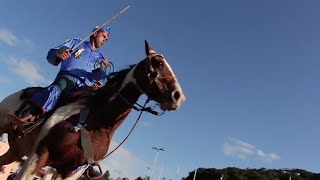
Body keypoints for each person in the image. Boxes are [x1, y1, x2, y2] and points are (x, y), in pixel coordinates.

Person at [8, 25, 111, 124]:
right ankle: (26, 116)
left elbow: (98, 79)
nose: (104, 40)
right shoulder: (77, 42)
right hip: (67, 79)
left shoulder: (100, 58)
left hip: (85, 88)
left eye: (106, 39)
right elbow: (54, 52)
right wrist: (59, 53)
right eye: (103, 36)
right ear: (96, 33)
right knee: (58, 88)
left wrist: (102, 70)